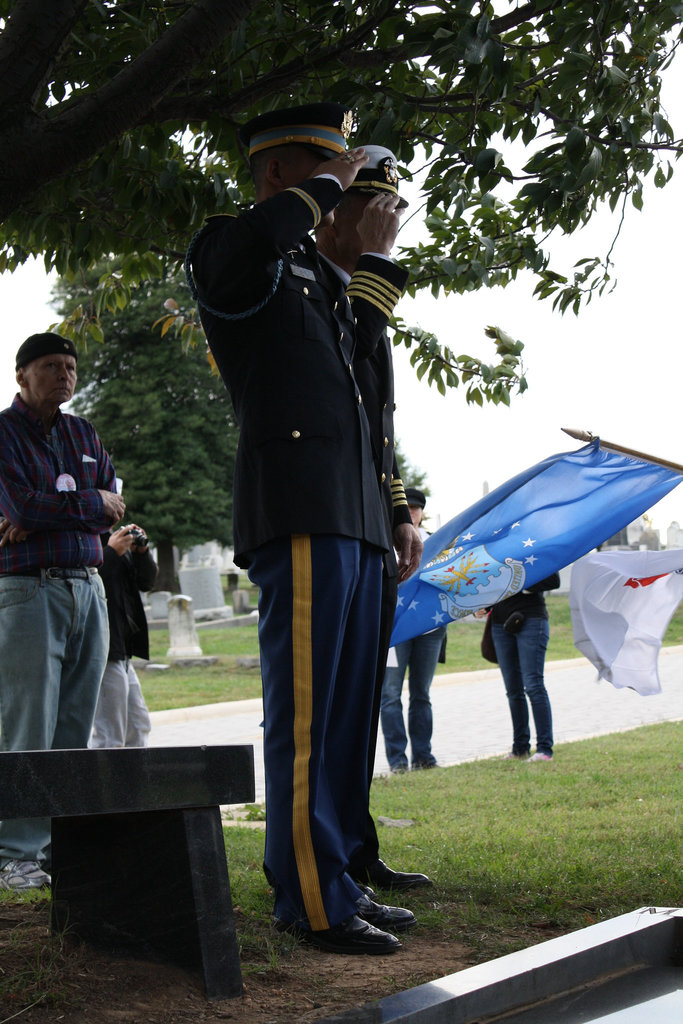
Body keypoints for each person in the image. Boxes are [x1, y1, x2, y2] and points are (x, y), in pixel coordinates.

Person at [186, 104, 414, 954]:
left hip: (349, 514)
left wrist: (396, 508)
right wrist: (331, 190)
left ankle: (340, 872)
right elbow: (242, 253)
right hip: (300, 511)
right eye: (331, 177)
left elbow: (367, 393)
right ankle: (311, 900)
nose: (350, 196)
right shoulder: (238, 253)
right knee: (309, 719)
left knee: (348, 714)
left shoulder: (316, 279)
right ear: (283, 176)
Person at [315, 147, 431, 892]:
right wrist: (378, 270)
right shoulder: (312, 288)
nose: (387, 226)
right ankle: (320, 863)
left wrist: (399, 512)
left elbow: (376, 425)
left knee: (358, 702)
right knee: (321, 710)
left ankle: (354, 848)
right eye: (373, 211)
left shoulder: (356, 293)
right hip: (319, 511)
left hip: (364, 519)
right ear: (333, 217)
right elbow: (335, 378)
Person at [0, 332, 124, 890]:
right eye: (50, 366)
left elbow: (115, 504)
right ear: (22, 375)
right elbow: (20, 504)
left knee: (75, 726)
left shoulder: (85, 433)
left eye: (71, 367)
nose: (64, 375)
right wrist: (87, 505)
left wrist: (61, 510)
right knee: (29, 725)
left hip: (88, 587)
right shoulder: (2, 433)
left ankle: (62, 848)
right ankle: (18, 854)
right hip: (28, 590)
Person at [380, 488, 448, 772]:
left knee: (421, 693)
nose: (412, 513)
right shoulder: (385, 541)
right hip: (395, 628)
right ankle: (398, 760)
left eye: (416, 508)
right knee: (390, 694)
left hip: (429, 628)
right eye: (406, 508)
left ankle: (424, 757)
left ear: (422, 512)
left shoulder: (436, 543)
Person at [90, 524, 157, 748]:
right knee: (110, 733)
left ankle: (135, 781)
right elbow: (91, 585)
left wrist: (141, 552)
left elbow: (146, 582)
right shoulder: (85, 539)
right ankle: (106, 782)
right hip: (103, 649)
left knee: (138, 725)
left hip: (122, 649)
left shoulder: (115, 539)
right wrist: (110, 553)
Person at [489, 572, 561, 761]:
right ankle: (520, 747)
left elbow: (553, 580)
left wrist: (518, 584)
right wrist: (484, 605)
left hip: (531, 619)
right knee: (513, 690)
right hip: (500, 623)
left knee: (533, 685)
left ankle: (545, 749)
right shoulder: (494, 548)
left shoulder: (530, 545)